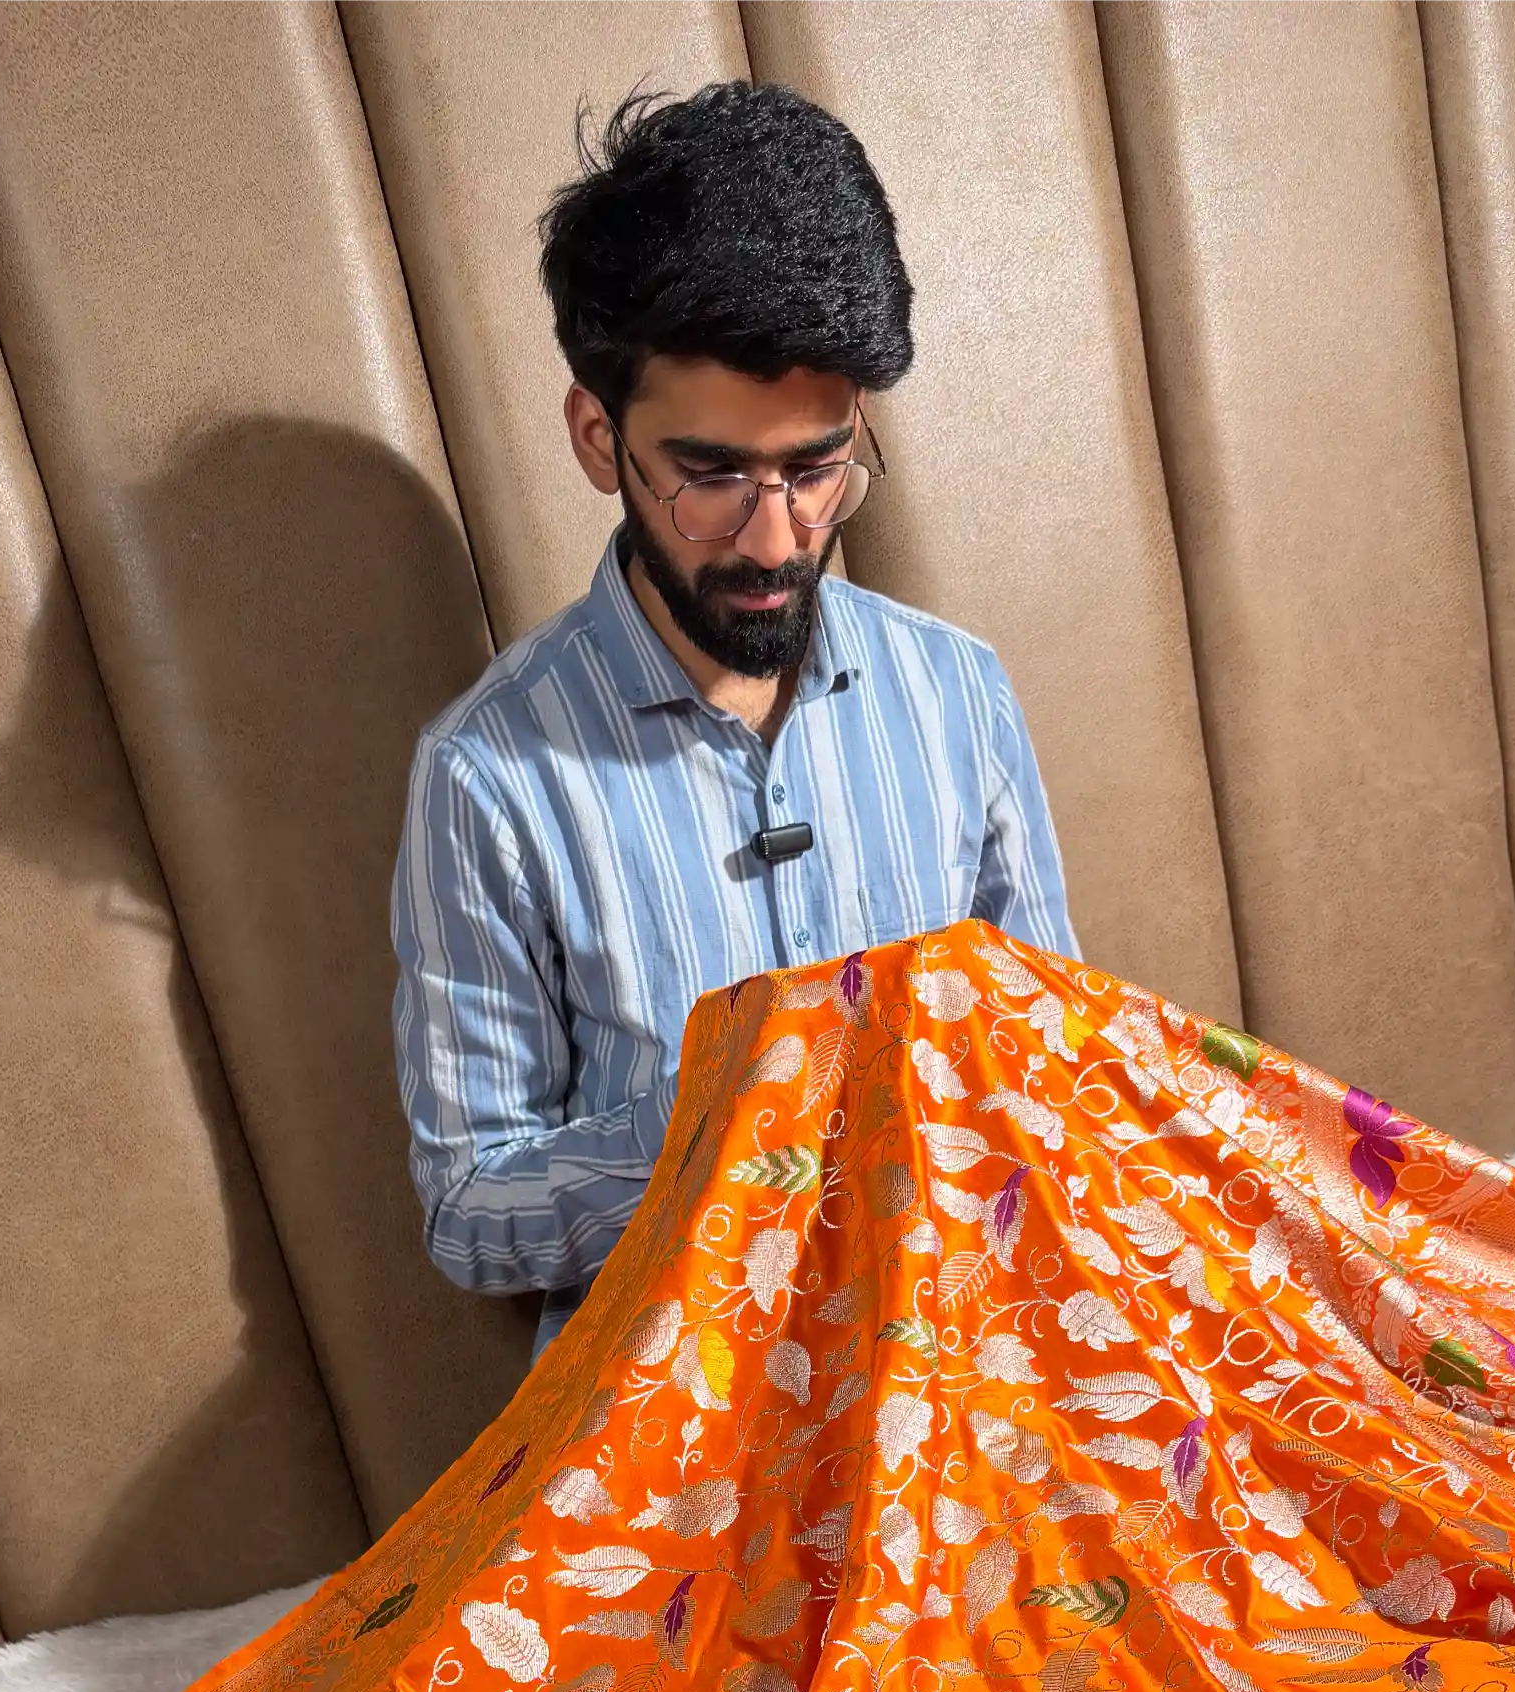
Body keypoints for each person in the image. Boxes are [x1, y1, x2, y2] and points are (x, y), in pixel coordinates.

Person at [391, 81, 1075, 1352]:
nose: (775, 540)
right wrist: (738, 1104)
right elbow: (469, 1214)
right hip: (684, 1402)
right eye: (710, 475)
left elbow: (1049, 1064)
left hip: (961, 1347)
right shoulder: (486, 777)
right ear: (601, 436)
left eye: (816, 469)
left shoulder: (956, 690)